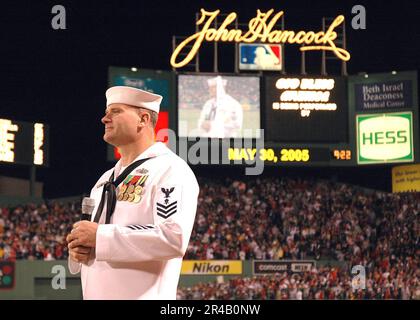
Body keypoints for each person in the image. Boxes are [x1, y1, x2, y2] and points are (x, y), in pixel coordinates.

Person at [66, 86, 199, 299]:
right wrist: (81, 250)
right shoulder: (104, 180)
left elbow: (173, 236)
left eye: (115, 111)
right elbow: (99, 244)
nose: (104, 118)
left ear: (143, 119)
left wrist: (100, 236)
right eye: (107, 111)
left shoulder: (170, 169)